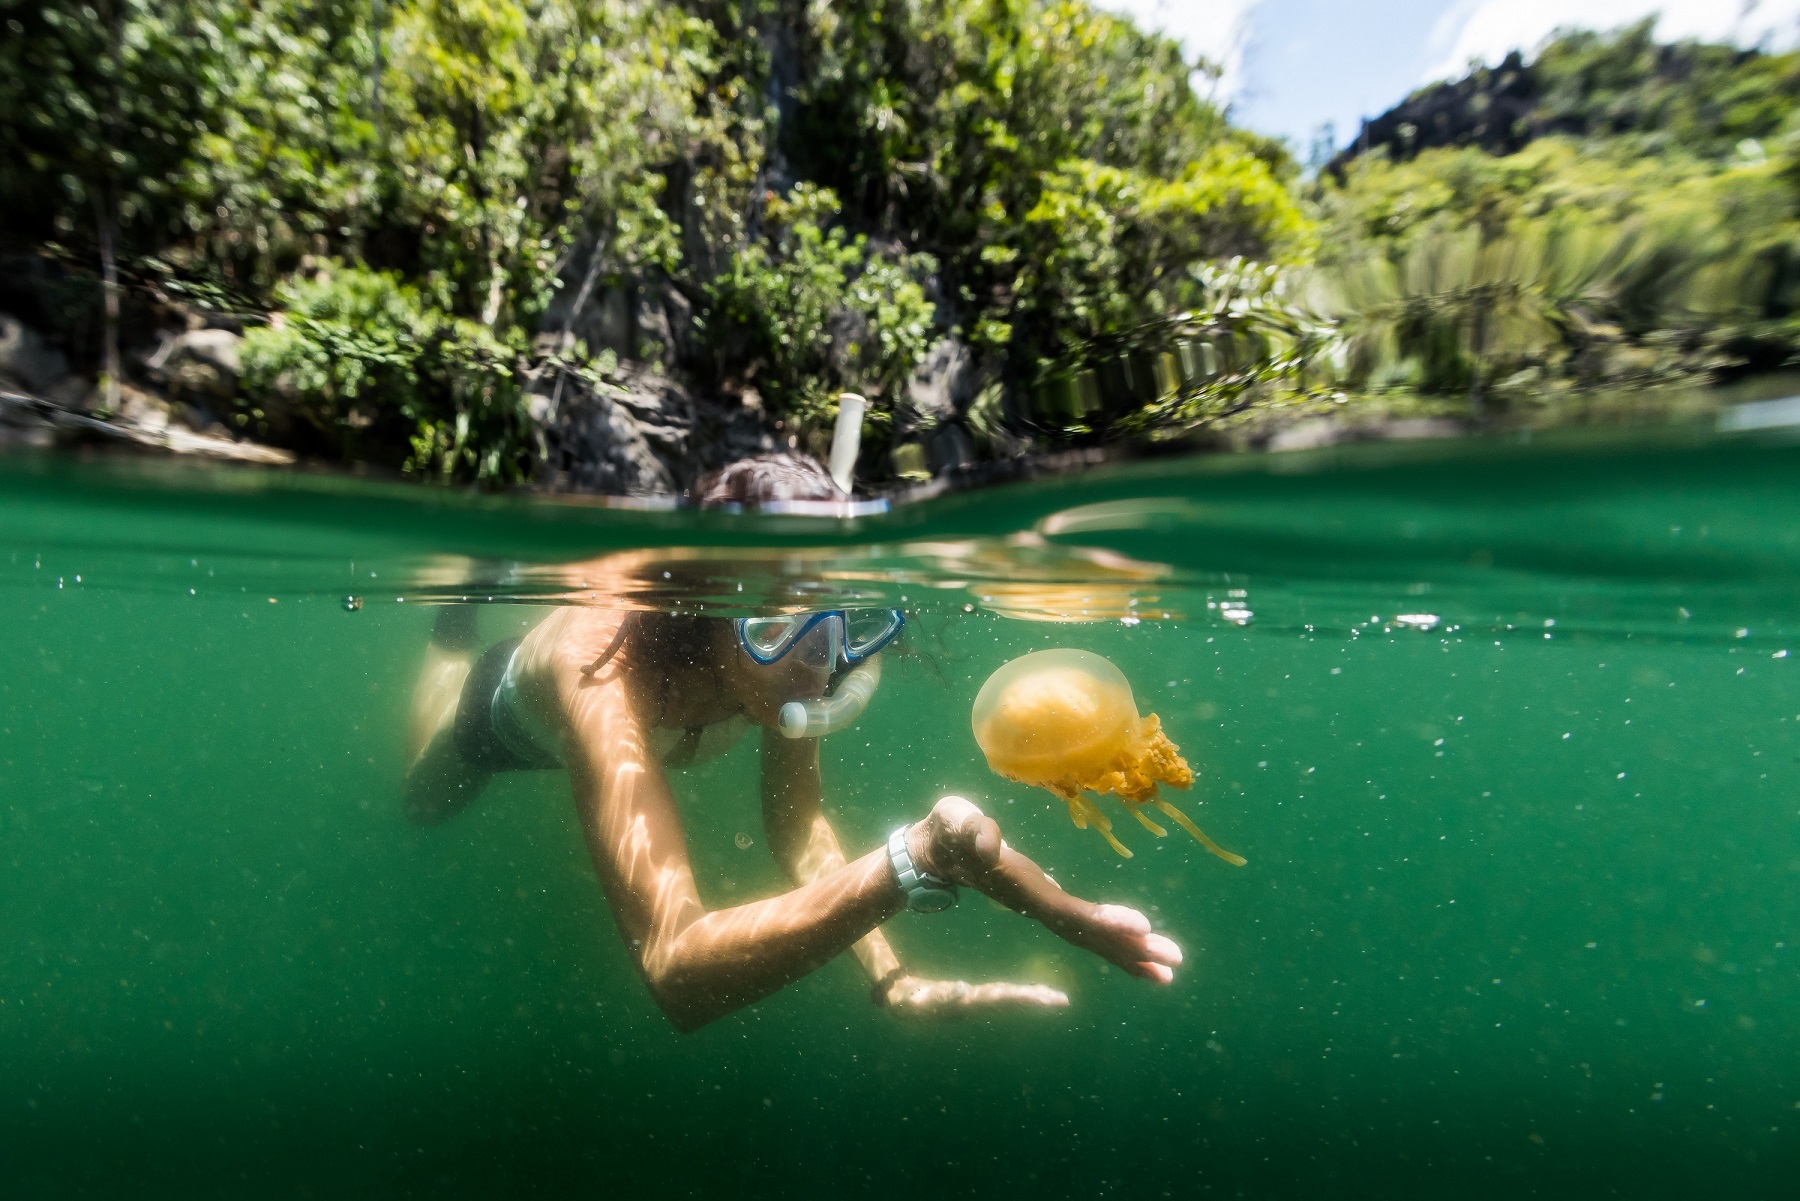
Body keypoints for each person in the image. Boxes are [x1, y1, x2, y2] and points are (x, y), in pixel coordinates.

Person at [403, 453, 1184, 1032]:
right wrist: (907, 863)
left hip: (670, 710)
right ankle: (455, 619)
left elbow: (795, 826)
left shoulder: (783, 667)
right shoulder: (596, 667)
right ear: (702, 612)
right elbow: (675, 968)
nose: (818, 661)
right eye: (780, 627)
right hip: (502, 723)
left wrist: (893, 977)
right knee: (425, 801)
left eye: (838, 621)